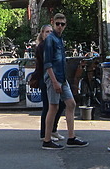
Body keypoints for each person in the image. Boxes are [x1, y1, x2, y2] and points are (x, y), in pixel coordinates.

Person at [41, 13, 87, 150]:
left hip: (62, 77)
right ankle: (47, 139)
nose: (60, 26)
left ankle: (71, 137)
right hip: (54, 77)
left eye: (62, 24)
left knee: (71, 104)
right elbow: (47, 63)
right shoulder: (50, 39)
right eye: (58, 24)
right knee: (53, 107)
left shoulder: (60, 39)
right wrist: (54, 81)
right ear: (53, 23)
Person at [32, 24, 64, 142]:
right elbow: (46, 64)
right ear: (42, 34)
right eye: (46, 32)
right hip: (44, 79)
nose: (49, 34)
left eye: (51, 31)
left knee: (60, 104)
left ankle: (52, 130)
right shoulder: (42, 46)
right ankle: (44, 134)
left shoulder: (52, 45)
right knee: (48, 106)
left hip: (54, 78)